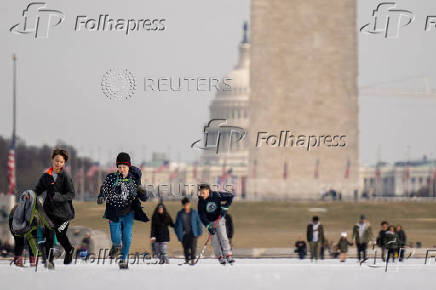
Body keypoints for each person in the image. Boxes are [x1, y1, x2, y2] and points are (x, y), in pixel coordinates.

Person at [97, 152, 149, 269]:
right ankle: (116, 246)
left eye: (124, 167)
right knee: (116, 237)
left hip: (128, 212)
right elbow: (104, 189)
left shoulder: (134, 180)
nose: (121, 169)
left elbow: (144, 198)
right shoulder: (111, 178)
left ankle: (123, 259)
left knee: (127, 237)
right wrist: (101, 196)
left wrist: (143, 192)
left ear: (128, 167)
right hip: (113, 211)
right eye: (119, 167)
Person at [34, 148, 75, 269]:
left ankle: (69, 250)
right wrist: (30, 195)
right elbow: (38, 190)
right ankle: (50, 260)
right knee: (49, 236)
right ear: (52, 160)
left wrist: (59, 197)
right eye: (57, 160)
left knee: (61, 235)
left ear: (64, 163)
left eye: (61, 162)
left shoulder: (65, 177)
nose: (58, 163)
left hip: (63, 214)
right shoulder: (46, 176)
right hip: (49, 212)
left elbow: (71, 194)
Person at [198, 184, 234, 265]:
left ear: (208, 190)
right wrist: (208, 226)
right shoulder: (200, 201)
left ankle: (228, 255)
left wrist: (225, 207)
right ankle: (220, 257)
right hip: (210, 222)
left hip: (219, 219)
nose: (202, 195)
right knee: (214, 241)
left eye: (203, 192)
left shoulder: (216, 195)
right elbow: (202, 215)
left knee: (223, 237)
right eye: (200, 193)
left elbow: (230, 196)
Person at [174, 197, 203, 265]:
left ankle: (193, 260)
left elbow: (198, 222)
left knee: (193, 247)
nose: (187, 206)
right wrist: (179, 235)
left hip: (193, 233)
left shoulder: (194, 212)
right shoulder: (180, 214)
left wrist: (200, 232)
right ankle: (187, 260)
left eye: (188, 204)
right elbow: (177, 226)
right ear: (183, 205)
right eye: (185, 205)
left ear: (189, 204)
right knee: (186, 248)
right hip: (184, 234)